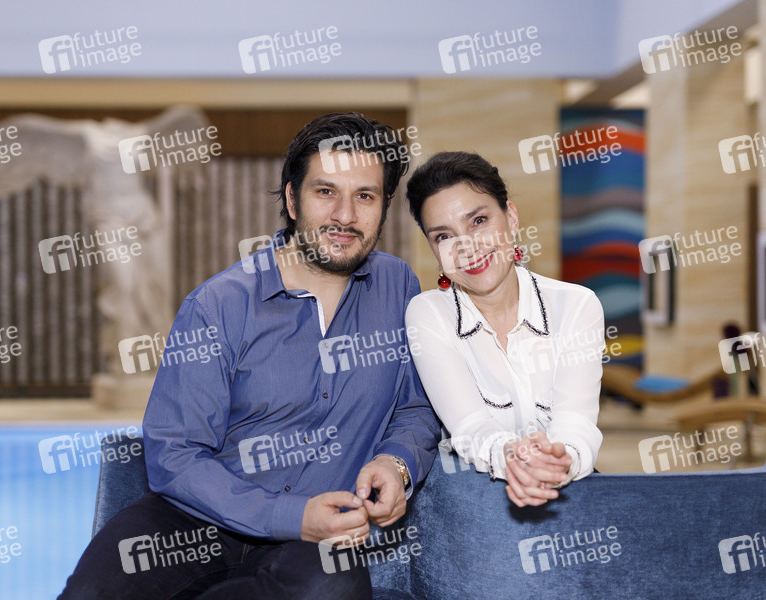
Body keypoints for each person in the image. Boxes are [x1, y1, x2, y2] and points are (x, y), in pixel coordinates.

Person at [59, 113, 440, 599]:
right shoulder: (217, 305)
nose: (345, 215)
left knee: (329, 589)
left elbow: (415, 407)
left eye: (365, 196)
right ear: (292, 199)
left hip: (314, 537)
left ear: (384, 206)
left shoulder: (398, 286)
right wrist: (289, 515)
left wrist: (396, 463)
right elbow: (176, 454)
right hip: (194, 518)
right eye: (325, 192)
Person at [404, 151, 603, 508]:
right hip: (474, 501)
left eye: (478, 221)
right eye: (444, 236)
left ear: (511, 218)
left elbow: (577, 423)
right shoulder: (428, 314)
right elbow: (470, 427)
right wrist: (513, 457)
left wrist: (559, 461)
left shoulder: (576, 305)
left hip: (568, 490)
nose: (467, 247)